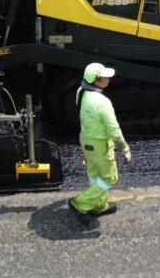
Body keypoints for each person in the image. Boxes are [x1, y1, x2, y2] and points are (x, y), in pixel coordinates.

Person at [68, 62, 131, 225]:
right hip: (100, 144)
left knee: (94, 174)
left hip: (86, 139)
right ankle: (81, 203)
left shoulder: (81, 92)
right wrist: (124, 148)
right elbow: (114, 130)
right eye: (105, 77)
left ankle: (99, 205)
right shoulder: (102, 102)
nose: (108, 79)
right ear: (96, 81)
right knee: (110, 178)